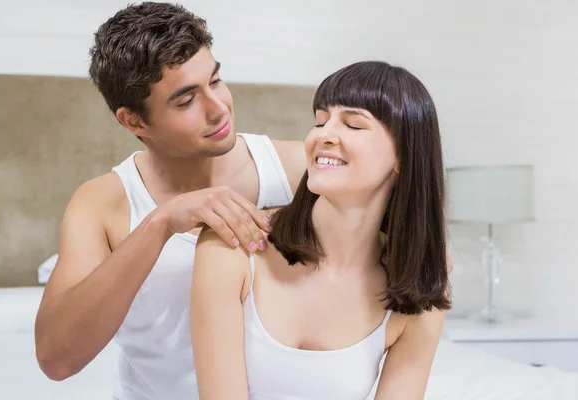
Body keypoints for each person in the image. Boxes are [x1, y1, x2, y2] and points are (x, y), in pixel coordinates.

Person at [33, 2, 306, 399]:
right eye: (186, 101)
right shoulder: (102, 204)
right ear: (134, 122)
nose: (219, 109)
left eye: (215, 81)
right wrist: (159, 224)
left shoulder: (296, 171)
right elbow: (57, 360)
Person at [191, 60, 452, 399]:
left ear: (402, 155)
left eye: (354, 125)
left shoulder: (419, 285)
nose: (323, 135)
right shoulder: (233, 247)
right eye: (320, 119)